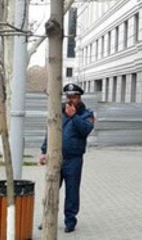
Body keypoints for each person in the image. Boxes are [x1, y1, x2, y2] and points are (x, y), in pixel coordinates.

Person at [39, 83, 95, 233]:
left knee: (72, 191)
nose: (70, 100)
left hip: (73, 159)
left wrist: (74, 116)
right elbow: (49, 132)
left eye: (74, 97)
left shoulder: (86, 114)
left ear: (79, 98)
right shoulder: (58, 111)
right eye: (68, 96)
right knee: (51, 189)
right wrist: (44, 151)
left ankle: (70, 221)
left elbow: (85, 130)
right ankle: (47, 218)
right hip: (55, 157)